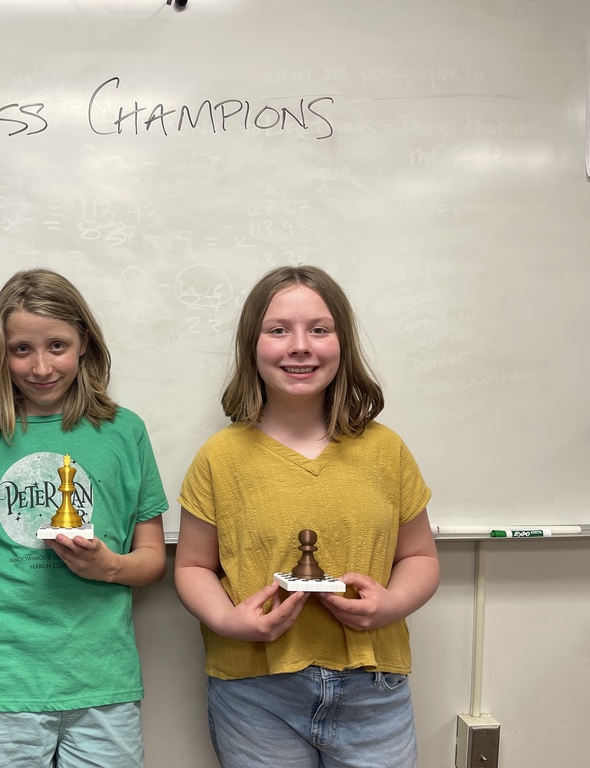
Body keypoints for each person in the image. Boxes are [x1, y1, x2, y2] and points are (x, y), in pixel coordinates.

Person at [174, 265, 439, 768]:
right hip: (254, 692)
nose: (300, 346)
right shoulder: (219, 457)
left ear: (342, 343)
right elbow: (191, 567)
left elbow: (420, 556)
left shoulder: (386, 450)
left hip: (373, 689)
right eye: (278, 330)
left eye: (319, 329)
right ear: (252, 345)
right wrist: (225, 619)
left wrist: (392, 603)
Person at [0, 268, 168, 768]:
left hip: (102, 682)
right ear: (0, 351)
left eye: (57, 346)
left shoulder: (124, 433)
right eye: (22, 349)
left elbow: (152, 560)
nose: (40, 367)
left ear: (84, 342)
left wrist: (108, 566)